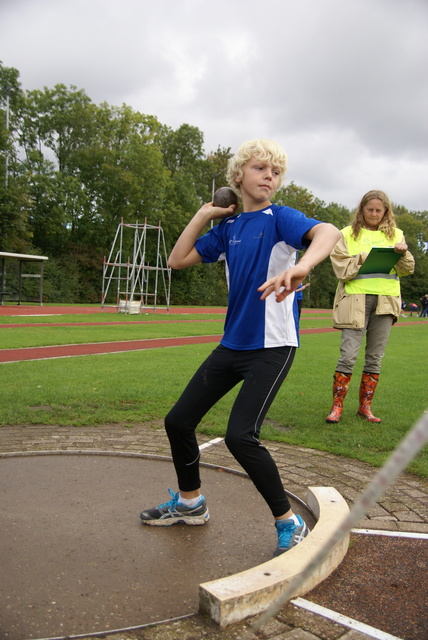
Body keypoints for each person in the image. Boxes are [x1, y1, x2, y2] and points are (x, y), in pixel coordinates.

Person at [140, 139, 341, 557]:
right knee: (178, 421)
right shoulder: (228, 230)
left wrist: (302, 266)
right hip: (232, 345)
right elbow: (177, 261)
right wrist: (204, 215)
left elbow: (329, 232)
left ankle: (289, 523)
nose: (269, 177)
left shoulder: (281, 218)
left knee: (240, 436)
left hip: (272, 346)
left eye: (276, 172)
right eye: (260, 168)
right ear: (238, 177)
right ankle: (191, 503)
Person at [325, 190, 415, 424]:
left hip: (386, 302)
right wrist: (362, 258)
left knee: (375, 358)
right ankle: (337, 407)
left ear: (386, 211)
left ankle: (365, 407)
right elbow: (341, 271)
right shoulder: (345, 234)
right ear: (361, 210)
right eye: (370, 209)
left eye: (379, 210)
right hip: (355, 301)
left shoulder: (396, 235)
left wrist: (403, 253)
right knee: (348, 357)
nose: (374, 214)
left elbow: (407, 270)